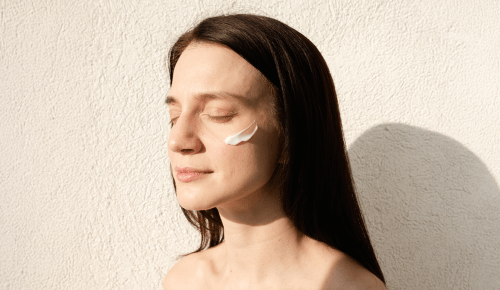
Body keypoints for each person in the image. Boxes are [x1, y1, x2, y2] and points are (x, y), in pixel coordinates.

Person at [163, 14, 387, 290]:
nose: (178, 140)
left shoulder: (346, 287)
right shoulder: (184, 281)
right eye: (174, 116)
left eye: (217, 114)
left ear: (290, 134)